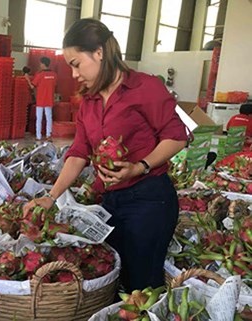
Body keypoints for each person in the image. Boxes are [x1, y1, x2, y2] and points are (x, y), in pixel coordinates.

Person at [23, 18, 188, 292]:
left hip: (149, 200)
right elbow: (78, 153)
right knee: (112, 281)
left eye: (76, 65)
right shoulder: (89, 102)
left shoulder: (145, 88)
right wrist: (50, 197)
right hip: (110, 202)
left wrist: (140, 166)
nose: (74, 75)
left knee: (142, 286)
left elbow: (177, 136)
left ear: (99, 52)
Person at [25, 57, 57, 141]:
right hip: (49, 100)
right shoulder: (54, 75)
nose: (40, 65)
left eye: (40, 63)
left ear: (43, 64)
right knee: (49, 118)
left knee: (39, 118)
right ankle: (48, 135)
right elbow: (54, 85)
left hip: (40, 100)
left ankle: (38, 136)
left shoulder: (40, 74)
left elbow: (32, 86)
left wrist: (27, 78)